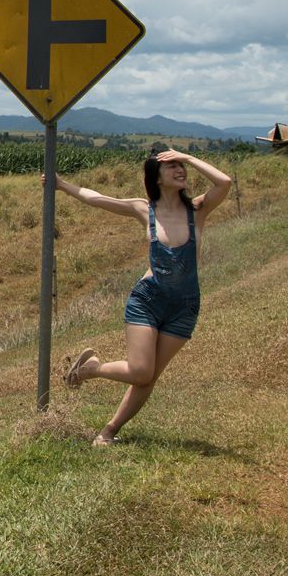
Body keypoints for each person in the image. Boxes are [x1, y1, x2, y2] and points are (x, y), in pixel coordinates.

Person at [56, 146, 231, 446]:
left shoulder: (198, 210)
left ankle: (108, 431)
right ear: (156, 177)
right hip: (148, 299)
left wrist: (188, 157)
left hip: (185, 306)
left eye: (181, 165)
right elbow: (96, 199)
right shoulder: (144, 208)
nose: (180, 170)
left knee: (148, 377)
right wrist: (62, 185)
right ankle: (92, 369)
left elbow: (224, 182)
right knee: (140, 371)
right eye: (171, 166)